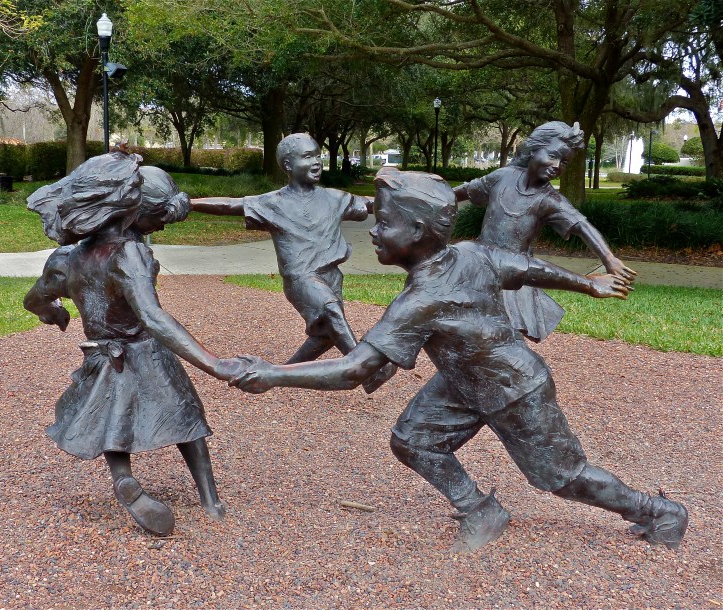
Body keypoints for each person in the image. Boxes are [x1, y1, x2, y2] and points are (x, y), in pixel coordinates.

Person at [228, 167, 687, 553]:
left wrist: (274, 374)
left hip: (513, 388)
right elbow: (525, 268)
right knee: (413, 439)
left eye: (384, 223)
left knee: (563, 478)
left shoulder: (420, 300)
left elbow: (356, 370)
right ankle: (480, 511)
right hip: (464, 380)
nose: (372, 231)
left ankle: (659, 512)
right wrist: (587, 284)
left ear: (418, 233)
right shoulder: (471, 253)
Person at [24, 153, 244, 536]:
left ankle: (123, 477)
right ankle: (210, 499)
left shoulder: (67, 259)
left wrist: (53, 312)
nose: (158, 229)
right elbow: (153, 318)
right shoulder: (130, 255)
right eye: (157, 221)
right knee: (186, 418)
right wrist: (215, 364)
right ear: (130, 213)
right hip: (145, 351)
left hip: (102, 357)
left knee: (113, 420)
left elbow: (35, 299)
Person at [192, 133, 395, 392]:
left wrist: (449, 195)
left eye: (317, 155)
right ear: (287, 165)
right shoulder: (272, 203)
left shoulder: (334, 199)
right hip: (300, 277)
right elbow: (230, 205)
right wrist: (189, 204)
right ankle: (366, 373)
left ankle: (277, 376)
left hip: (331, 275)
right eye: (307, 156)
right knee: (331, 311)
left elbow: (371, 204)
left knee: (324, 335)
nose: (316, 162)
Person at [453, 121, 637, 342]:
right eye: (552, 155)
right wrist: (427, 196)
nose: (557, 165)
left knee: (502, 339)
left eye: (564, 162)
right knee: (465, 333)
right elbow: (459, 193)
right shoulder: (502, 177)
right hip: (479, 267)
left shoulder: (549, 200)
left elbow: (582, 226)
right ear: (533, 150)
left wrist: (609, 259)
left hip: (515, 275)